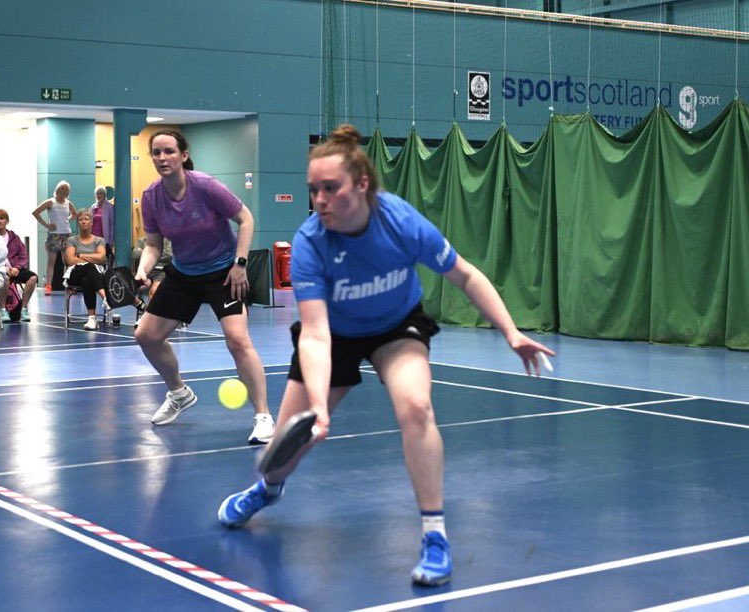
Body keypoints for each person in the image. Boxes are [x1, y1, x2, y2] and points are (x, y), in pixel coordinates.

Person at [216, 124, 555, 587]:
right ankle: (267, 489)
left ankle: (435, 536)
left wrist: (511, 332)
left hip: (396, 325)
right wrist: (317, 405)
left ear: (362, 185)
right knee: (284, 449)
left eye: (330, 188)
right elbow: (314, 334)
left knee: (416, 408)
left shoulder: (400, 221)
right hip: (334, 333)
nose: (319, 199)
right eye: (313, 190)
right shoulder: (311, 242)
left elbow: (467, 277)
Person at [134, 128, 274, 445]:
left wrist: (240, 265)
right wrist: (143, 269)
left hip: (223, 271)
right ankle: (179, 393)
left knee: (238, 339)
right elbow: (154, 245)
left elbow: (246, 219)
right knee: (146, 335)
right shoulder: (152, 197)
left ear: (184, 155)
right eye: (156, 152)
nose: (161, 158)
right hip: (184, 272)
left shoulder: (206, 186)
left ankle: (264, 416)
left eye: (169, 151)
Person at [63, 209, 109, 330]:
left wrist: (81, 255)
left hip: (94, 276)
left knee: (87, 280)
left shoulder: (99, 240)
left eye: (86, 219)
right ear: (77, 223)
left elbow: (102, 258)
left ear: (91, 222)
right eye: (80, 219)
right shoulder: (72, 240)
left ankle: (92, 319)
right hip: (74, 274)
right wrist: (91, 259)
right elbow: (70, 261)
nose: (83, 222)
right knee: (89, 266)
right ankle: (106, 297)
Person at [0, 209, 38, 322]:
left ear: (7, 221)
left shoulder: (14, 237)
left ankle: (23, 309)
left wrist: (17, 268)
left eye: (2, 218)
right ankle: (3, 310)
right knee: (5, 278)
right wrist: (4, 269)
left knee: (33, 278)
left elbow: (23, 255)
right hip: (0, 270)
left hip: (15, 269)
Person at [32, 180, 77, 295]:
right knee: (51, 261)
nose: (64, 191)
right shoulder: (50, 202)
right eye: (62, 188)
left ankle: (68, 284)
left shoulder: (68, 203)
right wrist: (46, 225)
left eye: (66, 189)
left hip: (66, 234)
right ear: (57, 189)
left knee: (67, 260)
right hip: (54, 234)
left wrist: (67, 219)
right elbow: (36, 212)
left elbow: (75, 214)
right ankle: (48, 285)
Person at [131, 235, 172, 328]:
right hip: (146, 272)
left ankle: (146, 318)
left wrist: (148, 252)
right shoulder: (142, 240)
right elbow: (135, 254)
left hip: (163, 272)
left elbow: (170, 255)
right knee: (126, 289)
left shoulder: (169, 240)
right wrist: (152, 252)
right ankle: (141, 305)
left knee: (154, 290)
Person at [90, 186, 115, 266]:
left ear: (104, 195)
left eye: (101, 193)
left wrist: (111, 241)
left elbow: (112, 225)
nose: (99, 195)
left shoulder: (110, 207)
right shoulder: (93, 207)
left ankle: (104, 277)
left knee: (104, 261)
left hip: (104, 239)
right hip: (93, 238)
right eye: (97, 194)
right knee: (94, 261)